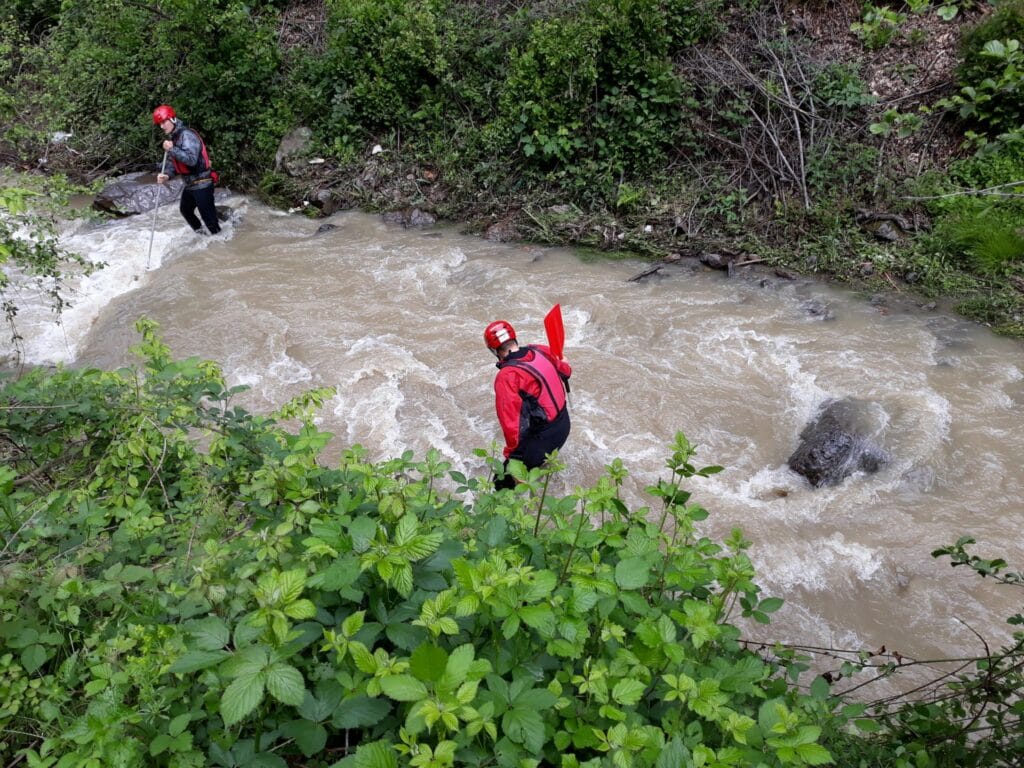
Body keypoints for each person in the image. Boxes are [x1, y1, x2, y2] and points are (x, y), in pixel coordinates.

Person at [484, 319, 572, 490]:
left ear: (494, 350)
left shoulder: (507, 376)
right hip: (563, 424)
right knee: (538, 469)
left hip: (544, 437)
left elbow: (511, 424)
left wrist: (514, 458)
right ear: (514, 338)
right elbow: (566, 372)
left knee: (501, 484)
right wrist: (564, 361)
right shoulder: (539, 350)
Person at [152, 104, 221, 235]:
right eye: (159, 124)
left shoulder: (186, 135)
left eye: (163, 122)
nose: (161, 126)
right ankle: (202, 237)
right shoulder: (175, 137)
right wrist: (167, 175)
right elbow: (175, 163)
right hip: (191, 184)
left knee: (210, 221)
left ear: (172, 119)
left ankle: (221, 241)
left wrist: (172, 149)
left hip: (202, 182)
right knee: (186, 210)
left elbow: (191, 160)